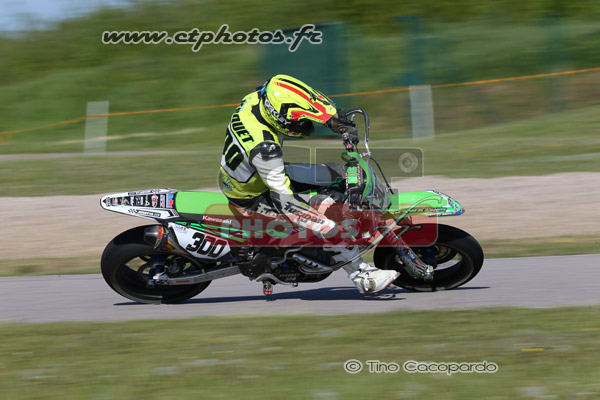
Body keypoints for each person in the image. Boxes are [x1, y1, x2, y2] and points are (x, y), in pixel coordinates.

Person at [218, 74, 405, 294]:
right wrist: (326, 225)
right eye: (296, 122)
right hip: (252, 194)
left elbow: (302, 93)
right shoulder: (265, 149)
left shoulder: (259, 97)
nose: (303, 126)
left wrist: (331, 116)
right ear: (278, 118)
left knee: (337, 173)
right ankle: (361, 275)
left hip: (253, 172)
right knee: (329, 212)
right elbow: (287, 202)